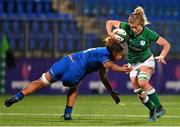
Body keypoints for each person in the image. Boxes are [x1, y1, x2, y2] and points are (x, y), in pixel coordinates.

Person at [4, 36, 132, 120]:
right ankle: (67, 113)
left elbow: (103, 76)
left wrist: (110, 91)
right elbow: (112, 66)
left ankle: (17, 96)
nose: (120, 57)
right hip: (76, 69)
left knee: (41, 81)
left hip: (65, 61)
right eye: (120, 55)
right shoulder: (106, 56)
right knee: (74, 87)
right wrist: (124, 69)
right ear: (114, 52)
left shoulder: (101, 52)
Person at [106, 6, 171, 122]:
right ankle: (152, 110)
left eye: (135, 27)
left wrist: (162, 56)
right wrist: (111, 34)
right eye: (131, 27)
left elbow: (166, 44)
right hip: (132, 63)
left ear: (141, 25)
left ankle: (160, 108)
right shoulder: (126, 27)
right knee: (139, 93)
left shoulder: (148, 33)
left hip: (146, 60)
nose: (133, 29)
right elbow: (109, 22)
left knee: (142, 82)